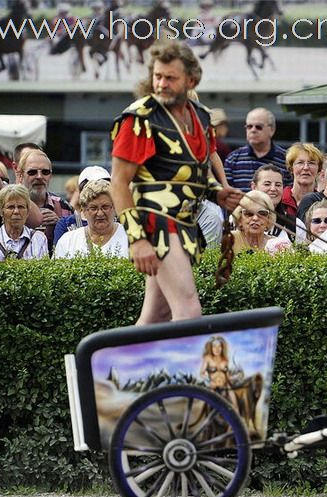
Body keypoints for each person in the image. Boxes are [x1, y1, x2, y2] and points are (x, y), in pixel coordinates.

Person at [110, 41, 243, 325]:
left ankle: (124, 370)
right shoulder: (140, 118)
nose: (161, 84)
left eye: (170, 78)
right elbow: (119, 184)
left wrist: (218, 193)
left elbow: (190, 175)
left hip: (183, 222)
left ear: (191, 80)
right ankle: (190, 371)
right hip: (155, 222)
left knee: (156, 315)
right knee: (188, 310)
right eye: (158, 76)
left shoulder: (201, 117)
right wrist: (137, 240)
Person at [53, 179, 127, 258]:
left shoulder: (128, 237)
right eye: (93, 208)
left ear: (115, 207)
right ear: (84, 210)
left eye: (105, 207)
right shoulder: (68, 241)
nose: (100, 213)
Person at [16, 150, 73, 251]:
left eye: (45, 172)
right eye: (32, 172)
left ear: (50, 176)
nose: (39, 176)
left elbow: (76, 244)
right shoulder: (10, 206)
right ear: (20, 176)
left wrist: (60, 224)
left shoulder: (64, 206)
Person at [224, 107, 290, 191]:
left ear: (272, 130)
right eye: (249, 126)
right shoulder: (233, 159)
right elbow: (227, 193)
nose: (253, 130)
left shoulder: (286, 159)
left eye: (258, 127)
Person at [53, 165, 111, 246]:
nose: (99, 190)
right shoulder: (66, 224)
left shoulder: (120, 222)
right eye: (92, 188)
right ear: (81, 192)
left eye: (105, 186)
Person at [0, 184, 48, 260]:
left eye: (21, 207)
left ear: (28, 211)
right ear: (1, 211)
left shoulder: (39, 239)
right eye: (11, 207)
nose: (16, 211)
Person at [231, 190, 291, 255]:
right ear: (239, 219)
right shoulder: (231, 239)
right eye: (249, 213)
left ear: (269, 219)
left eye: (262, 214)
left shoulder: (277, 245)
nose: (255, 218)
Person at [282, 142, 322, 221]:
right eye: (300, 163)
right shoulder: (279, 200)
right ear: (291, 168)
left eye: (311, 163)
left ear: (319, 169)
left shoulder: (323, 203)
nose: (306, 168)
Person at [199, 335, 239, 413]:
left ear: (222, 347)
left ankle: (235, 421)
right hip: (213, 386)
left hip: (225, 386)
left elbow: (227, 376)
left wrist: (234, 378)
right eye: (214, 347)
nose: (217, 349)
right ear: (211, 348)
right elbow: (202, 373)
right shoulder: (208, 358)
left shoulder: (225, 360)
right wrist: (209, 382)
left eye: (219, 347)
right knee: (207, 403)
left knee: (235, 404)